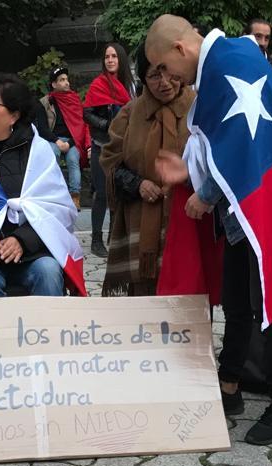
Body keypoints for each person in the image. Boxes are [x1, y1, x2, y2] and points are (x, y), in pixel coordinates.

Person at [147, 15, 272, 445]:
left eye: (164, 66)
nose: (167, 77)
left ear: (180, 49)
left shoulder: (225, 64)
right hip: (245, 207)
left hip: (264, 200)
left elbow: (240, 145)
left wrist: (205, 195)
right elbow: (218, 140)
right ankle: (230, 385)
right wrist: (189, 172)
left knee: (270, 304)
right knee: (237, 300)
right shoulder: (228, 58)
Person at [0, 73, 71, 298]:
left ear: (14, 116)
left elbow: (57, 209)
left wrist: (22, 240)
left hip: (31, 252)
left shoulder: (37, 152)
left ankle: (49, 323)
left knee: (48, 270)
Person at [99, 44, 198, 296]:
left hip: (189, 220)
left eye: (170, 73)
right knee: (145, 302)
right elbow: (111, 160)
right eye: (154, 75)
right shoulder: (130, 114)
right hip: (141, 221)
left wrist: (188, 176)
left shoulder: (199, 109)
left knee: (190, 297)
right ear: (143, 78)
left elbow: (215, 160)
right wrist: (138, 184)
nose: (164, 83)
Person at [84, 42, 134, 257]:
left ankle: (114, 238)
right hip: (102, 146)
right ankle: (96, 240)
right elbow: (87, 114)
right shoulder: (98, 84)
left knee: (118, 193)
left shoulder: (131, 86)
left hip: (125, 147)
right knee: (102, 194)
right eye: (107, 57)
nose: (110, 60)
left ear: (121, 58)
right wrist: (107, 125)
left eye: (114, 56)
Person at [39, 65, 87, 210]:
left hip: (72, 140)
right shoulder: (45, 102)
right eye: (62, 80)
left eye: (67, 79)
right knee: (52, 156)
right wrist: (57, 141)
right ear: (54, 84)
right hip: (54, 139)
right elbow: (42, 129)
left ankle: (75, 197)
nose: (67, 82)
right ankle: (55, 195)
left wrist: (70, 143)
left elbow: (80, 126)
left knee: (73, 160)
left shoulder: (74, 100)